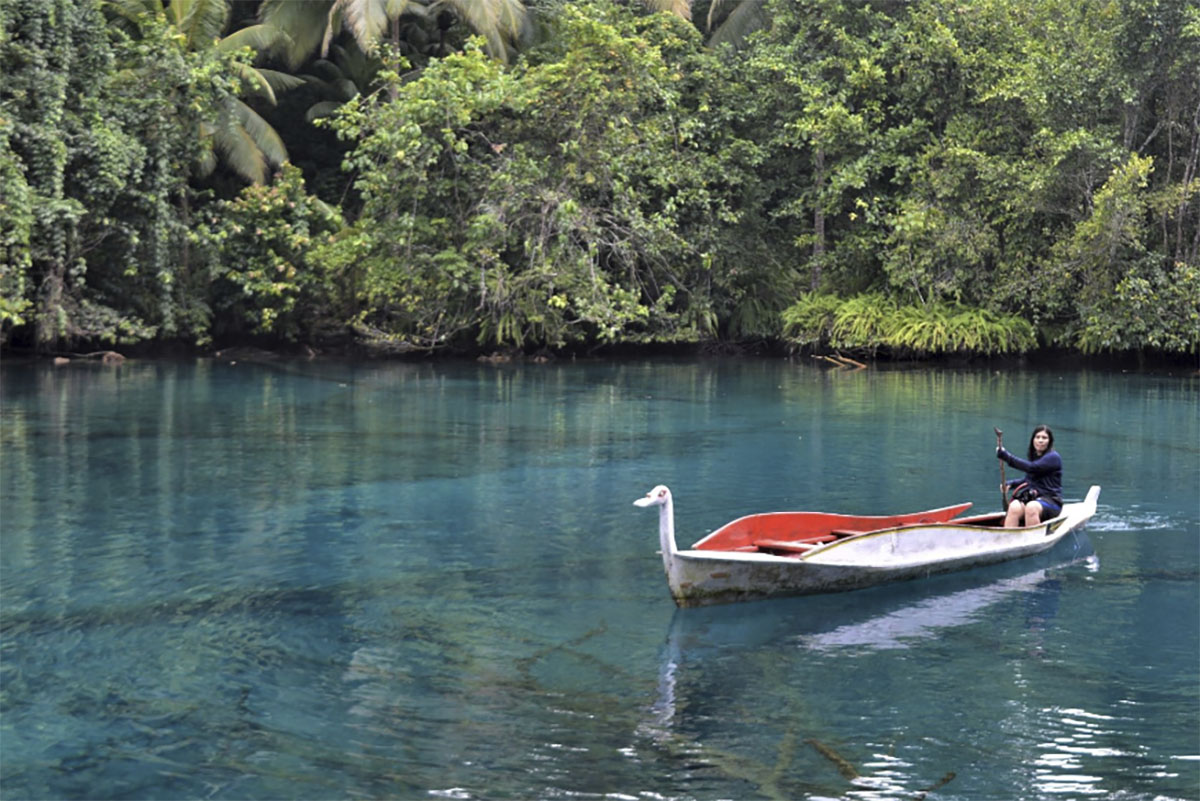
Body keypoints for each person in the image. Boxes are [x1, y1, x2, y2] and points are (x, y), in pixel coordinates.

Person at [997, 425, 1063, 528]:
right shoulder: (1035, 457)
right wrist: (1011, 484)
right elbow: (1028, 480)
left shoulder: (1053, 457)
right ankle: (1008, 539)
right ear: (1033, 440)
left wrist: (1007, 457)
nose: (1040, 440)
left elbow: (1031, 468)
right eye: (1037, 437)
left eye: (1044, 438)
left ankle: (1035, 540)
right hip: (1034, 499)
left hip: (1051, 502)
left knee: (1031, 507)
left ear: (1050, 441)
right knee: (1014, 506)